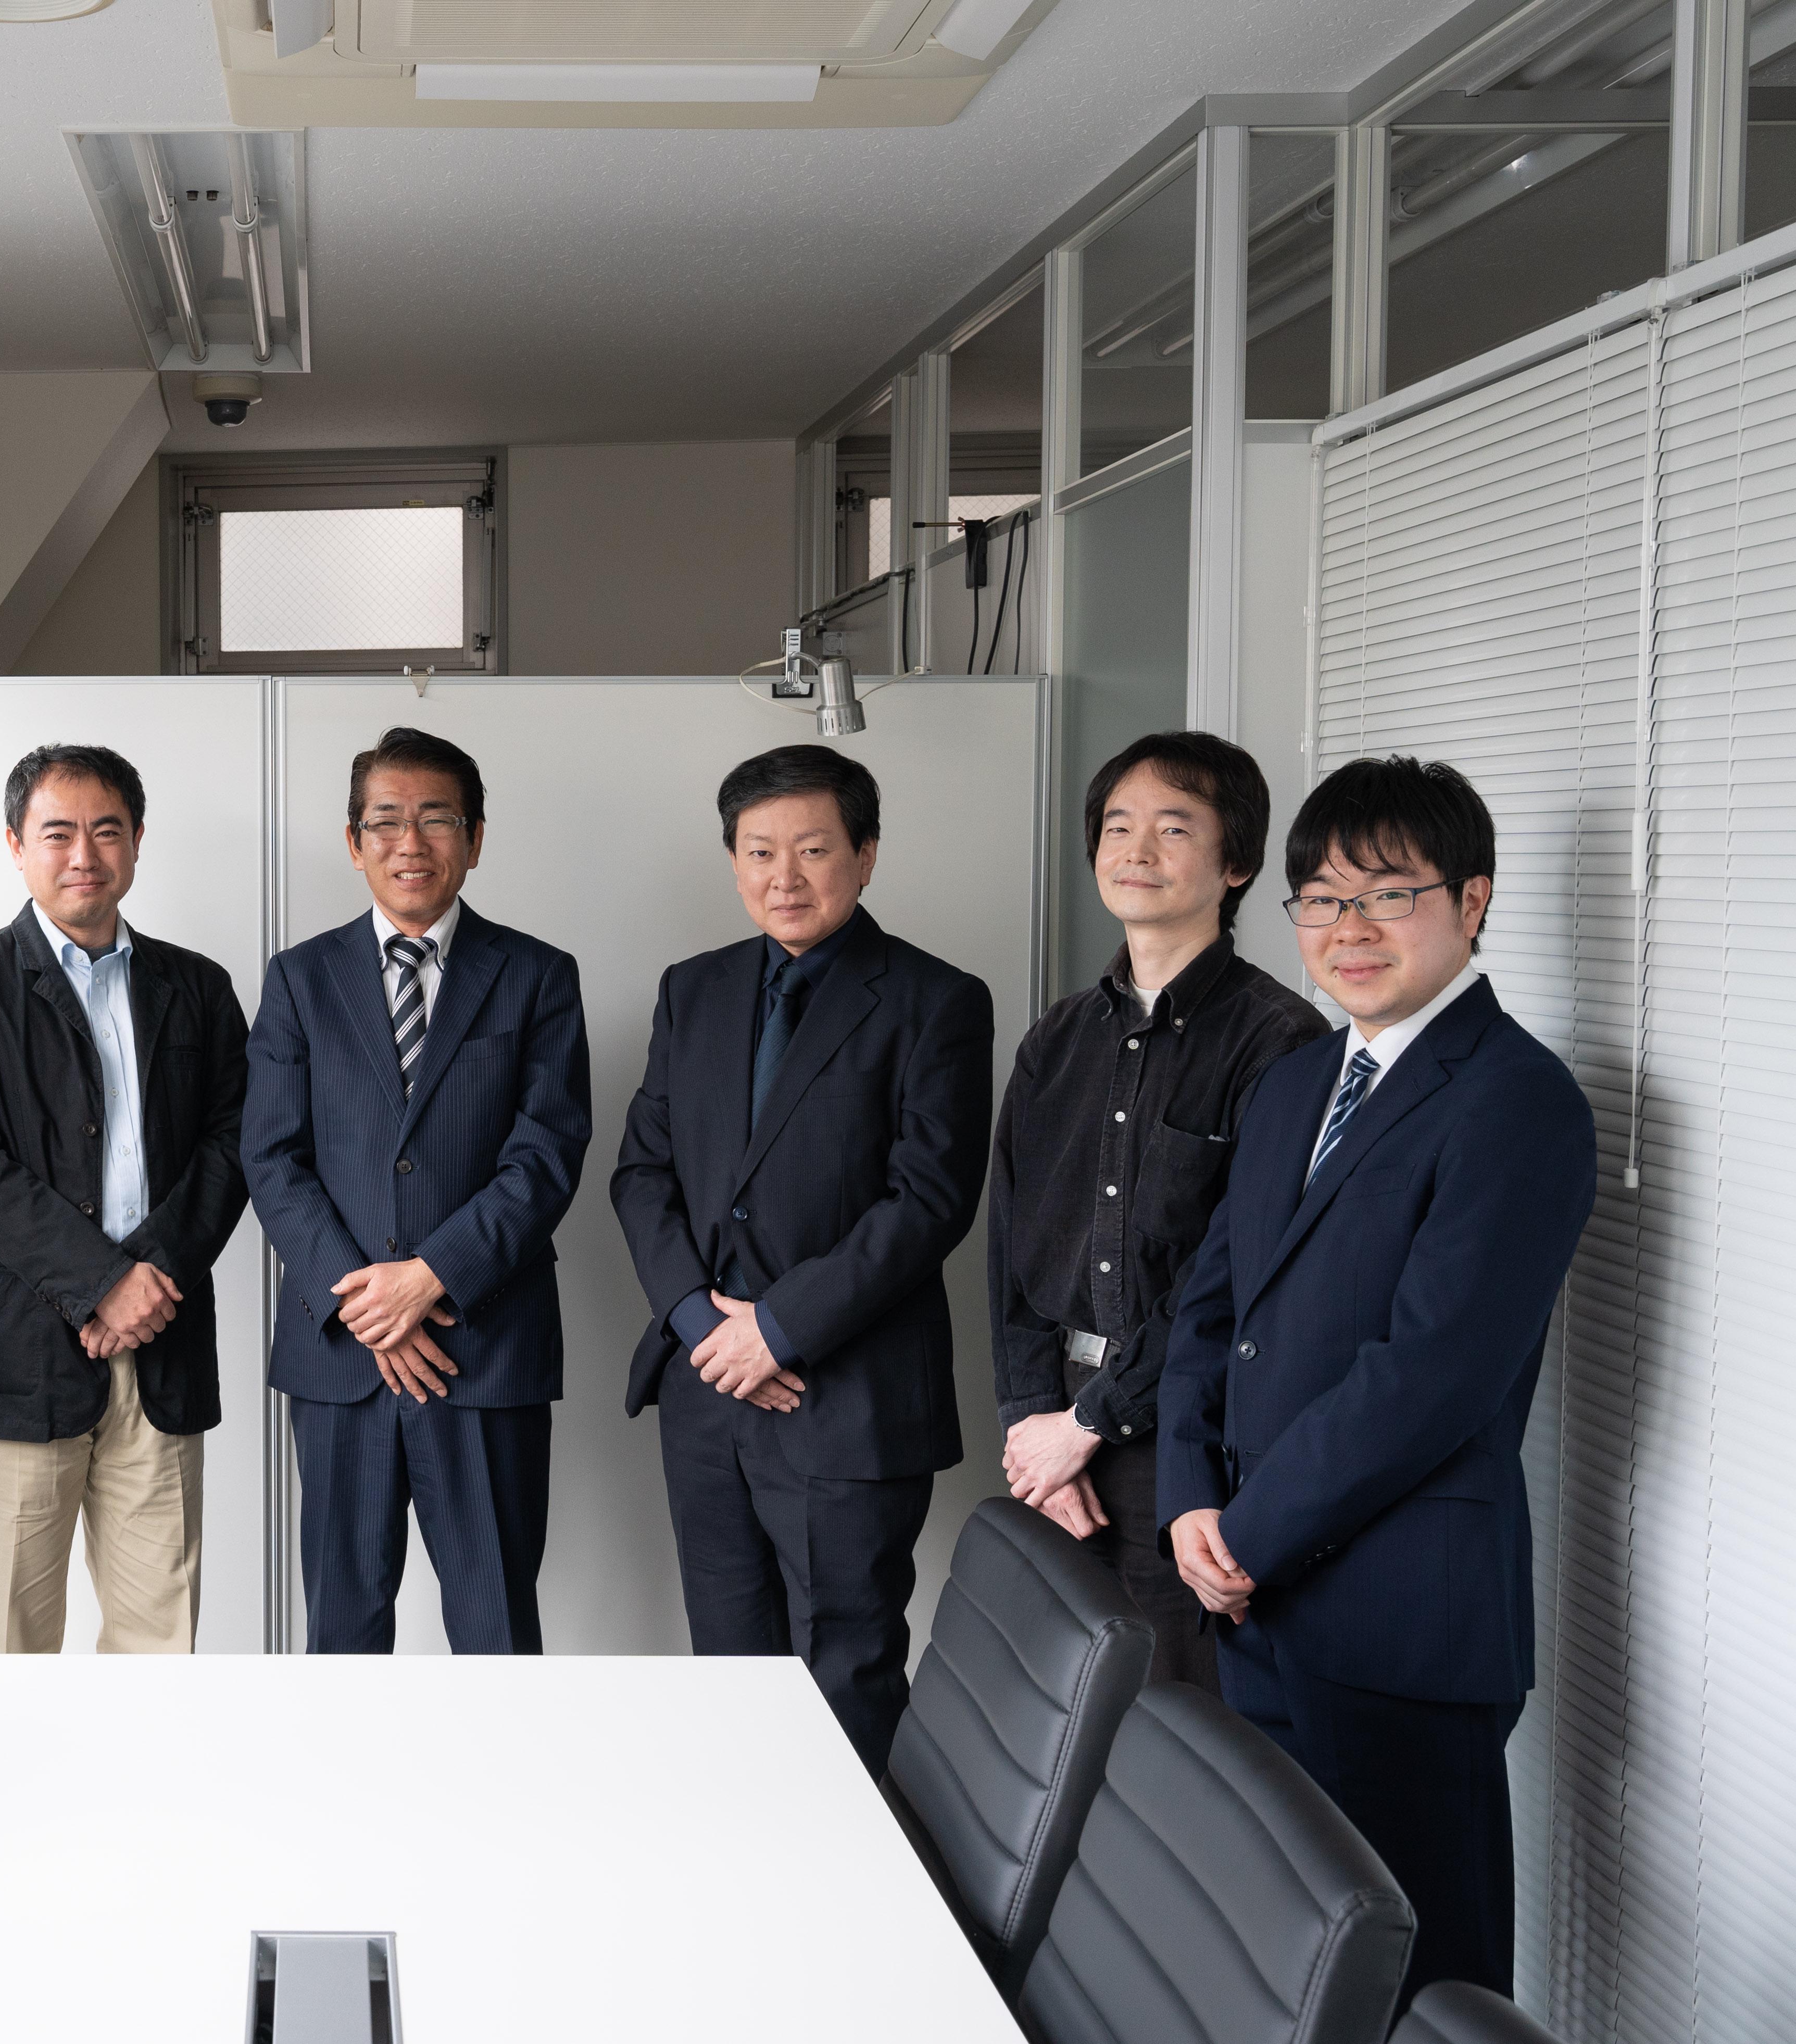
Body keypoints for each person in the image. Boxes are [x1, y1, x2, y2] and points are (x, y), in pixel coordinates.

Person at [1159, 755, 1595, 2004]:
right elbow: (1212, 1309)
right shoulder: (1295, 1081)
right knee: (1277, 1961)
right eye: (1318, 900)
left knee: (1420, 1982)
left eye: (1385, 894)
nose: (1345, 929)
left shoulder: (1514, 1100)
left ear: (1471, 900)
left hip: (1399, 1622)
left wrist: (1245, 1533)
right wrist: (1188, 1498)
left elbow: (1432, 1375)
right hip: (1250, 1603)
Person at [610, 743, 992, 1774]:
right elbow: (641, 1174)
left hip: (846, 1397)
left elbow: (928, 1202)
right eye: (759, 850)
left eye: (813, 849)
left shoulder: (935, 1000)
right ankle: (747, 1864)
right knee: (729, 1671)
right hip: (705, 1392)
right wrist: (702, 1323)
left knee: (844, 1672)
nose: (784, 876)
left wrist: (777, 1330)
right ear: (732, 860)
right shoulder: (693, 990)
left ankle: (862, 1877)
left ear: (864, 855)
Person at [986, 734, 1326, 1696]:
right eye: (1116, 826)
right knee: (1056, 1719)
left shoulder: (1280, 1040)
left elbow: (1240, 1270)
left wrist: (1091, 1421)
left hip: (1189, 1439)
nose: (1135, 849)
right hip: (1054, 1438)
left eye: (1173, 828)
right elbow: (1012, 1248)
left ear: (1236, 863)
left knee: (1176, 1717)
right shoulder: (1057, 1037)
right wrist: (1036, 1428)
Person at [244, 727, 591, 1654]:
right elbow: (272, 1157)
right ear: (352, 842)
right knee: (343, 1626)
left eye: (436, 819)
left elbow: (546, 1155)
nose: (411, 842)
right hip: (340, 1356)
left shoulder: (537, 976)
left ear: (474, 839)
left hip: (485, 1348)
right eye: (385, 821)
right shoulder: (299, 979)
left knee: (494, 1627)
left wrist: (430, 1276)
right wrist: (369, 1305)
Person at [0, 745, 251, 1653]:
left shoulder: (199, 988)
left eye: (106, 831)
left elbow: (231, 1146)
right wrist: (101, 1283)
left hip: (163, 1346)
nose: (83, 855)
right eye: (57, 833)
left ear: (136, 840)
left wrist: (149, 1279)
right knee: (9, 1645)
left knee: (157, 1644)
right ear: (15, 845)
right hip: (16, 1357)